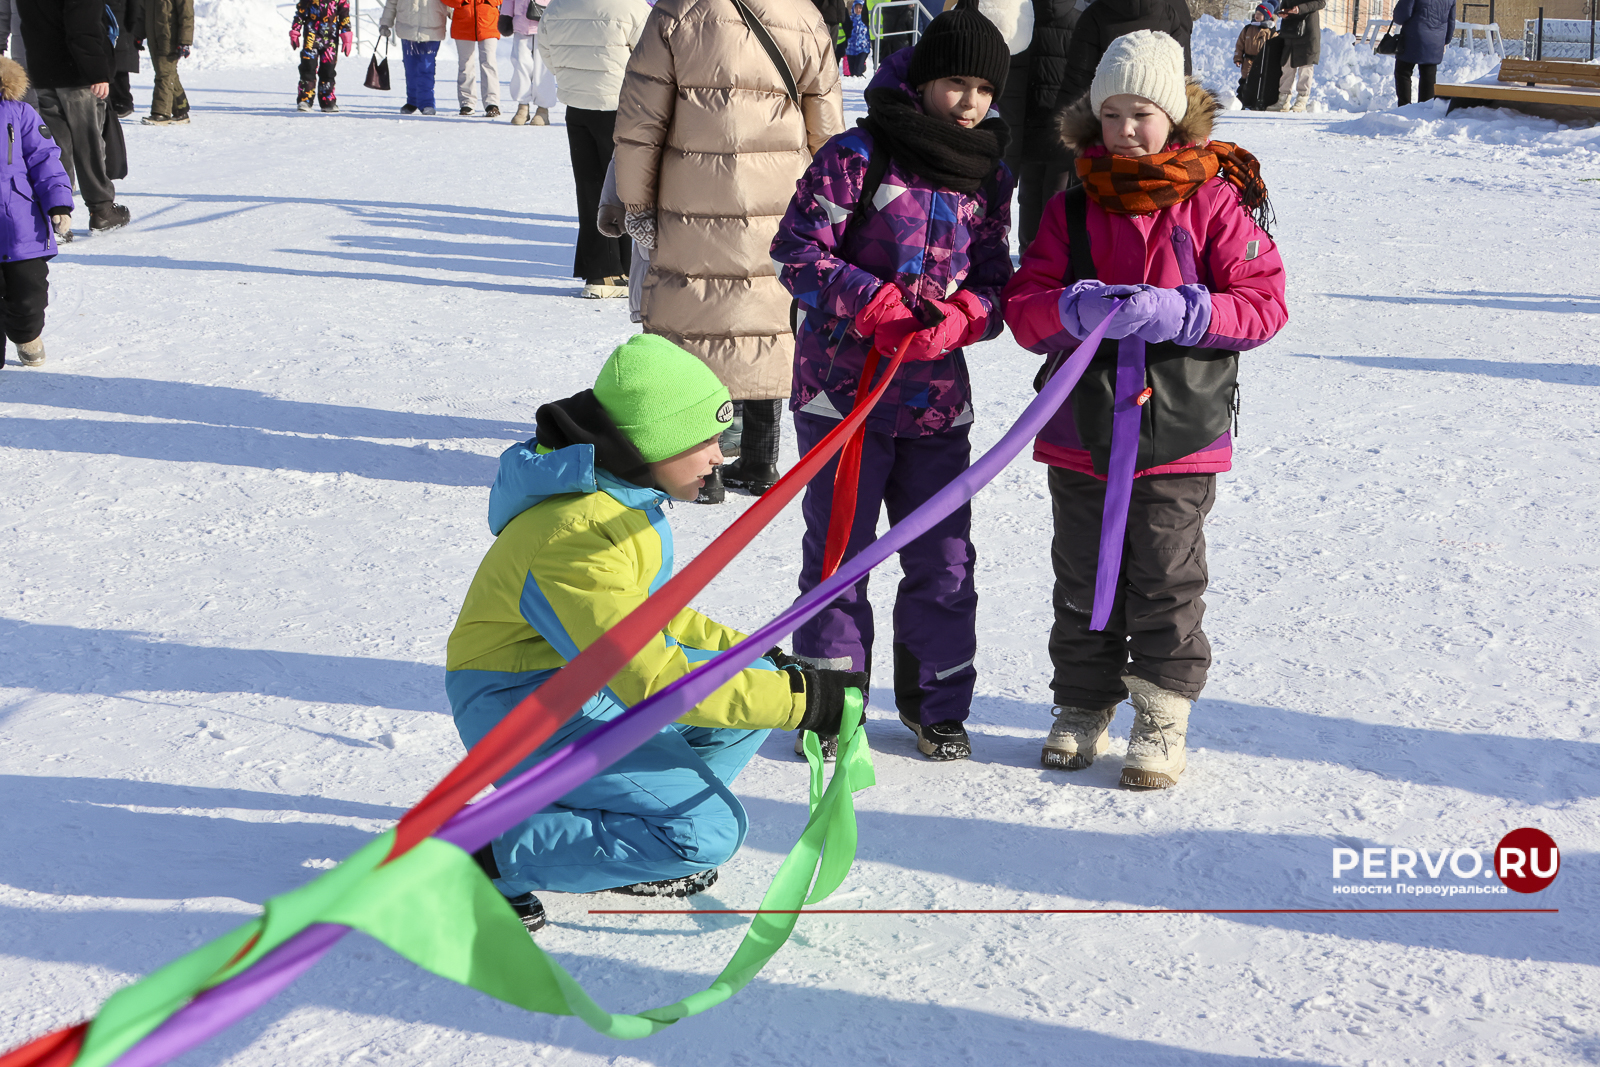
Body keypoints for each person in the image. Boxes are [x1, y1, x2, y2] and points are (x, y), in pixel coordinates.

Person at [447, 334, 866, 928]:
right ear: (652, 444)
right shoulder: (576, 538)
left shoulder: (624, 498)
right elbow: (651, 677)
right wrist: (803, 704)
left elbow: (653, 615)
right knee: (707, 831)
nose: (721, 456)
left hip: (578, 680)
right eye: (704, 442)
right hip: (521, 705)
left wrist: (755, 658)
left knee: (757, 685)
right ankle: (487, 857)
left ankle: (634, 824)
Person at [1003, 31, 1287, 788]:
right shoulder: (1070, 207)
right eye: (1115, 112)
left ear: (1176, 118)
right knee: (1083, 572)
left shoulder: (1214, 201)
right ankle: (1082, 701)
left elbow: (1263, 303)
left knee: (1164, 573)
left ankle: (1161, 709)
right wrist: (1070, 304)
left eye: (1144, 113)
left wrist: (1184, 312)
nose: (1128, 128)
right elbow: (1025, 309)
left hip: (1178, 429)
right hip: (1083, 427)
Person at [770, 2, 1013, 762]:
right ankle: (831, 701)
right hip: (843, 394)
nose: (969, 102)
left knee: (943, 555)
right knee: (840, 549)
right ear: (925, 77)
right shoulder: (858, 153)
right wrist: (869, 300)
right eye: (955, 84)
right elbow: (796, 252)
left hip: (936, 401)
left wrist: (966, 315)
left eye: (983, 88)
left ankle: (936, 701)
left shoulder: (988, 173)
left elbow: (998, 277)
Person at [613, 0, 843, 503]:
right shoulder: (803, 14)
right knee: (768, 324)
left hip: (692, 194)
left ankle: (703, 473)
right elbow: (826, 126)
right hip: (781, 196)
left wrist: (637, 203)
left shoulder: (677, 12)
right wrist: (833, 207)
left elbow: (639, 122)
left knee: (695, 329)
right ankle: (760, 461)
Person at [538, 0, 649, 298]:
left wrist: (572, 78)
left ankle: (601, 271)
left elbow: (546, 50)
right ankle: (617, 270)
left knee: (589, 188)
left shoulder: (559, 6)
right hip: (620, 105)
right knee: (624, 187)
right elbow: (650, 52)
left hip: (577, 104)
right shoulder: (629, 6)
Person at [17, 0, 130, 233]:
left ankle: (58, 215)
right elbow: (83, 27)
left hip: (44, 69)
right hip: (77, 75)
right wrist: (97, 72)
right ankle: (101, 209)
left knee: (55, 148)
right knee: (88, 143)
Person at [0, 56, 72, 370]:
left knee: (29, 299)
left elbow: (46, 159)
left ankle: (26, 334)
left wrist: (58, 203)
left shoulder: (20, 113)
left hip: (21, 223)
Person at [1058, 0, 1192, 116]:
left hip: (1107, 130)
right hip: (1160, 128)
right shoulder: (1171, 12)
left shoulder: (1093, 16)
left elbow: (1077, 87)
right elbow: (1182, 80)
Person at [379, 0, 449, 115]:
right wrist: (386, 23)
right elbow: (392, 2)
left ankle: (427, 103)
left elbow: (455, 4)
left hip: (432, 29)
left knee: (426, 68)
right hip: (407, 29)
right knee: (410, 67)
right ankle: (412, 101)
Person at [290, 0, 351, 113]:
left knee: (328, 69)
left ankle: (327, 100)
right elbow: (301, 11)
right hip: (311, 34)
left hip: (330, 36)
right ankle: (305, 99)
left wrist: (346, 33)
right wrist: (295, 29)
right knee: (308, 67)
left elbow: (344, 14)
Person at [501, 0, 556, 125]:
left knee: (544, 68)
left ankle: (543, 109)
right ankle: (522, 106)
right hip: (521, 23)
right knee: (520, 65)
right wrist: (506, 16)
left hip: (546, 23)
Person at [1390, 0, 1453, 106]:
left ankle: (1404, 106)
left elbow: (1401, 15)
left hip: (1413, 37)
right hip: (1436, 40)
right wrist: (1445, 40)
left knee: (1403, 72)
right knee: (1428, 75)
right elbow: (1451, 20)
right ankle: (1424, 108)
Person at [443, 0, 500, 116]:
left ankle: (492, 103)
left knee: (489, 62)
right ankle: (467, 103)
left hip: (488, 20)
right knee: (466, 64)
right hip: (463, 21)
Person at [142, 0, 190, 124]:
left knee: (163, 73)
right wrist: (139, 33)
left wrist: (185, 41)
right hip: (154, 36)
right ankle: (181, 110)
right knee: (168, 72)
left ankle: (161, 113)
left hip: (170, 37)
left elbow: (187, 14)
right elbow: (142, 10)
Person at [1268, 0, 1320, 111]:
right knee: (1287, 65)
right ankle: (1283, 100)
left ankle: (1302, 100)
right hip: (1291, 30)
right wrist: (1283, 12)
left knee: (1305, 66)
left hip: (1308, 30)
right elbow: (1284, 5)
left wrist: (1300, 9)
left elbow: (1320, 3)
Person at [106, 0, 143, 118]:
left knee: (119, 65)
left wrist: (134, 28)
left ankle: (123, 101)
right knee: (110, 64)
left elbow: (135, 8)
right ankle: (114, 100)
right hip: (110, 20)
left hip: (121, 24)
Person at [1233, 5, 1274, 96]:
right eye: (1256, 13)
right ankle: (1242, 98)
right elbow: (1240, 45)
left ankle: (1258, 100)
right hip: (1248, 61)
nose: (1257, 15)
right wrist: (1238, 58)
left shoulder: (1270, 32)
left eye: (1260, 14)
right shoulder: (1248, 29)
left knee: (1260, 82)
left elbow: (1274, 49)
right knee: (1246, 80)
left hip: (1262, 62)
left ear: (1266, 16)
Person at [843, 1, 871, 76]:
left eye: (861, 7)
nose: (858, 9)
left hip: (863, 48)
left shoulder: (866, 20)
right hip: (851, 49)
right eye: (857, 7)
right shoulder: (850, 20)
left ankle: (862, 67)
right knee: (852, 73)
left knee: (857, 72)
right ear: (854, 8)